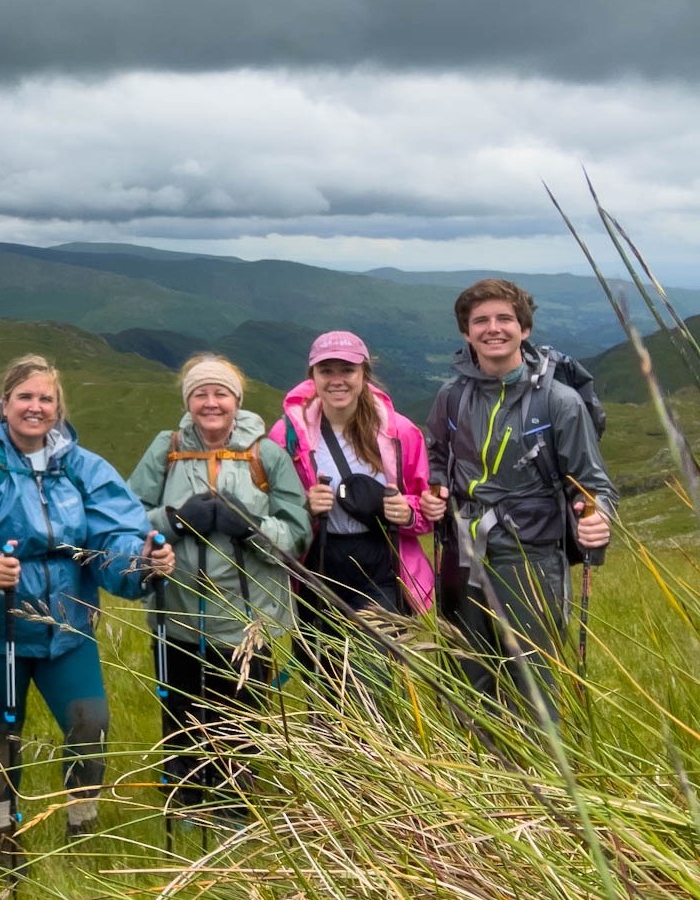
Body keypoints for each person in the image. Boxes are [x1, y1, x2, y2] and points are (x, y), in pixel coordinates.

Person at [0, 353, 174, 869]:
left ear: (59, 408)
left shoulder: (83, 467)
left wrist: (145, 560)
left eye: (46, 399)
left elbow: (115, 533)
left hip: (68, 624)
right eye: (25, 397)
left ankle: (80, 826)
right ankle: (5, 834)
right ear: (4, 404)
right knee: (3, 729)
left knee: (92, 722)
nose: (35, 408)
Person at [420, 278, 616, 722]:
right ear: (466, 333)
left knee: (533, 683)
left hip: (531, 557)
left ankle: (540, 785)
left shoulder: (560, 402)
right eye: (481, 321)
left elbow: (594, 485)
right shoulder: (451, 396)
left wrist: (598, 518)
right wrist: (436, 487)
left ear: (524, 329)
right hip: (462, 551)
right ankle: (471, 778)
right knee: (465, 677)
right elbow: (436, 451)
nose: (494, 328)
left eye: (505, 319)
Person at [127, 353, 311, 808]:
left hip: (248, 619)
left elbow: (297, 533)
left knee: (241, 722)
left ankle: (234, 807)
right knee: (182, 718)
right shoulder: (166, 447)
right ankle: (187, 804)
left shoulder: (266, 454)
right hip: (177, 614)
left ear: (236, 400)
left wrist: (250, 526)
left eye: (220, 393)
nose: (211, 403)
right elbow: (128, 517)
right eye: (200, 394)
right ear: (188, 401)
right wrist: (175, 519)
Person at [267, 331, 433, 673]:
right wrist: (305, 507)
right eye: (327, 370)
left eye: (348, 370)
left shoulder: (399, 433)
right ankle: (326, 728)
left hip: (383, 565)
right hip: (318, 563)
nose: (337, 380)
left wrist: (408, 512)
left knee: (373, 674)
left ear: (364, 375)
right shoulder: (286, 436)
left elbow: (427, 507)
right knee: (325, 677)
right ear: (312, 376)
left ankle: (375, 727)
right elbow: (271, 508)